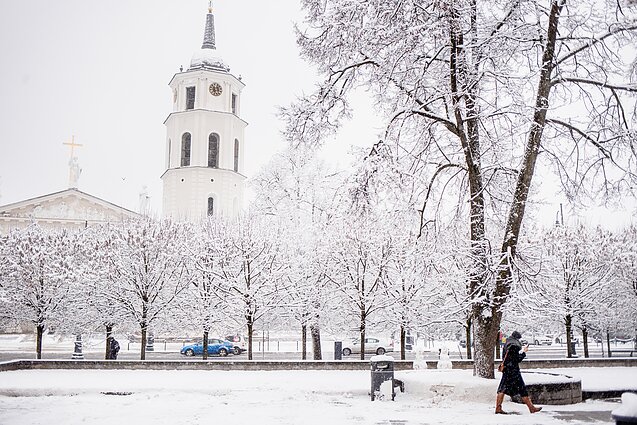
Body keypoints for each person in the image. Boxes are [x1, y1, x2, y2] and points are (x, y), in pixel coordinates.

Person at [495, 331, 542, 414]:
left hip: (507, 370)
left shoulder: (507, 343)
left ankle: (498, 408)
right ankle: (531, 408)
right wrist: (524, 352)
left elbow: (509, 358)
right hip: (513, 371)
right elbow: (516, 359)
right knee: (520, 389)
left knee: (503, 388)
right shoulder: (514, 346)